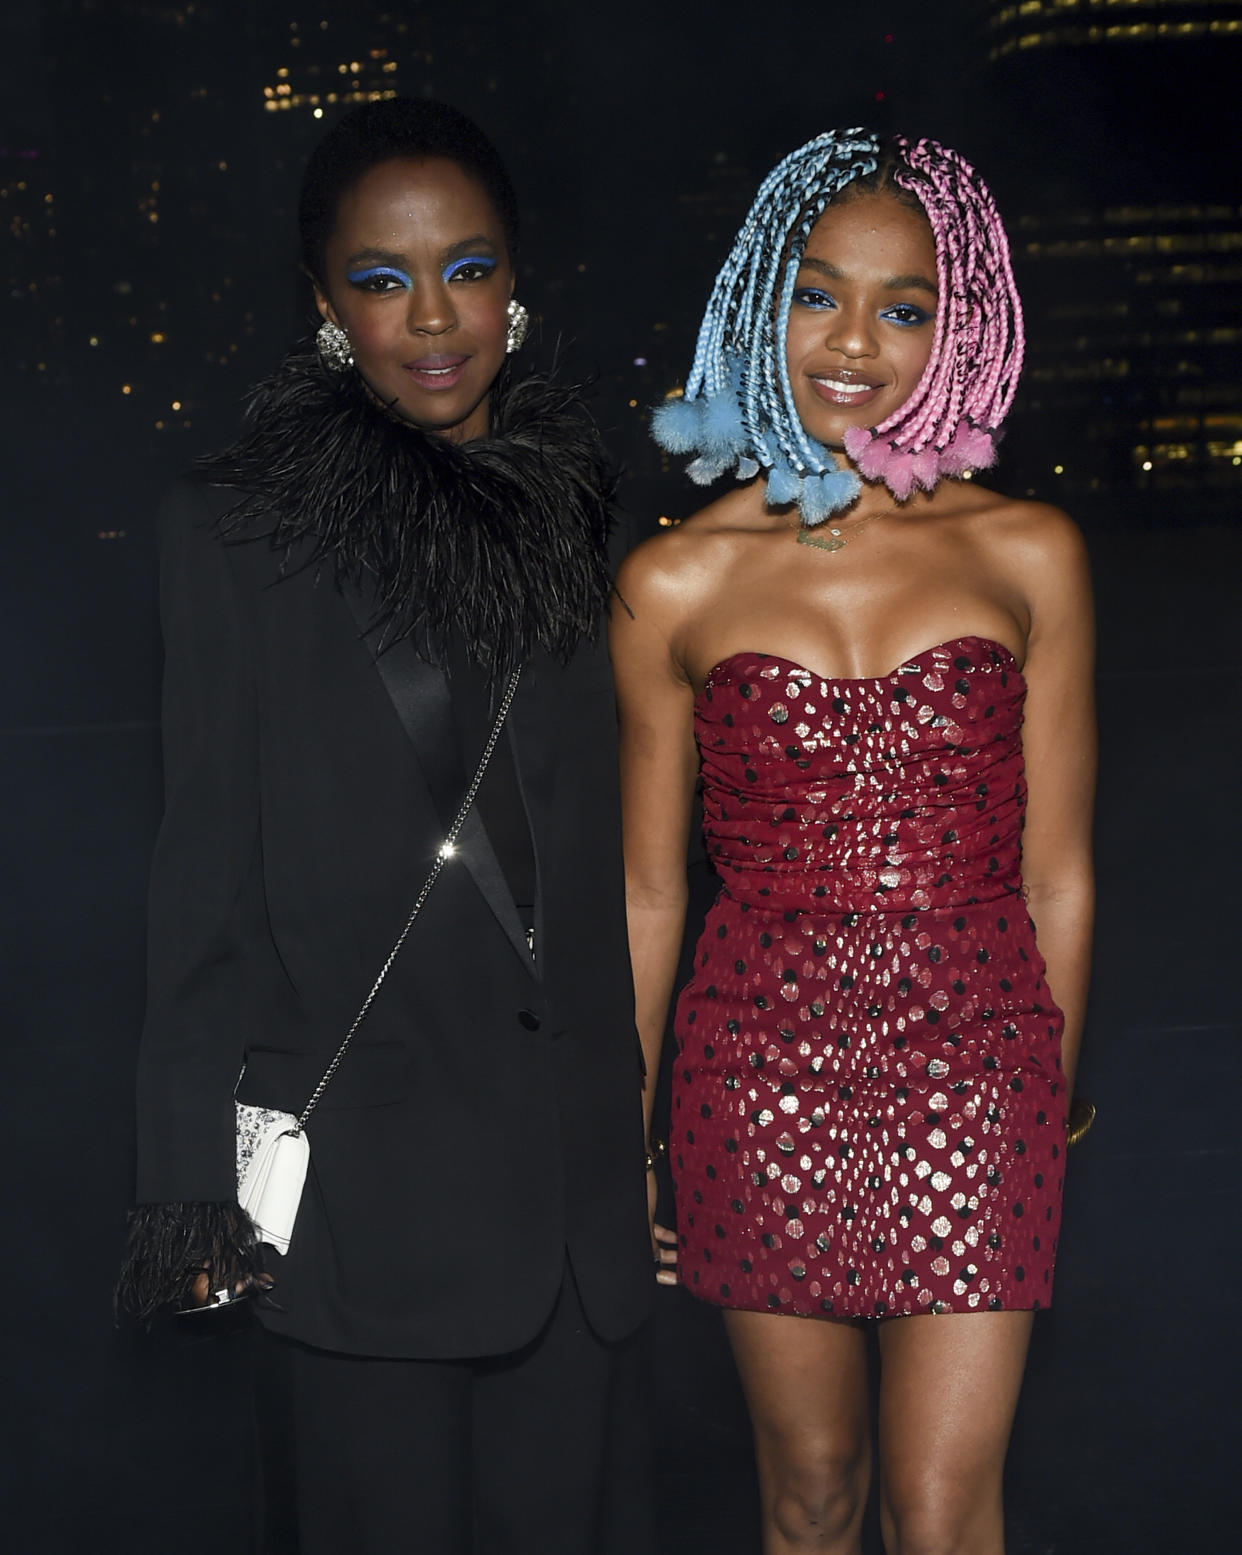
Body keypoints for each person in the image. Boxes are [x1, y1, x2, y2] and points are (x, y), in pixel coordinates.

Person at [118, 98, 657, 1555]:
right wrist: (184, 1198)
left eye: (465, 267)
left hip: (573, 1215)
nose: (433, 316)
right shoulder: (233, 532)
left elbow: (642, 864)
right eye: (381, 276)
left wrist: (663, 1141)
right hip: (362, 1206)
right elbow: (202, 877)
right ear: (322, 304)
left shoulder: (592, 514)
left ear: (515, 283)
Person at [611, 130, 1095, 1555]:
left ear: (962, 328)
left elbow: (1057, 871)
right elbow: (646, 890)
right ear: (759, 300)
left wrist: (1044, 1105)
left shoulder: (1028, 553)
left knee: (943, 1513)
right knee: (810, 1499)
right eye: (817, 295)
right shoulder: (671, 578)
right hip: (755, 1074)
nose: (854, 343)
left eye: (904, 307)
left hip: (982, 1068)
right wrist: (624, 1138)